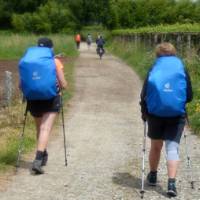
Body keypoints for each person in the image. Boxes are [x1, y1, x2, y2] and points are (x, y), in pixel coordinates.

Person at [140, 42, 193, 197]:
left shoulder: (153, 68)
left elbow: (144, 94)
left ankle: (153, 175)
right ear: (174, 53)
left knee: (156, 146)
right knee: (172, 148)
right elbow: (189, 96)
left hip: (155, 114)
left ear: (158, 54)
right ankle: (171, 183)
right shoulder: (181, 68)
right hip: (176, 115)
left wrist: (144, 111)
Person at [21, 37, 67, 174]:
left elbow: (20, 85)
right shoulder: (55, 61)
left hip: (33, 99)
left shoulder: (29, 62)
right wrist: (63, 86)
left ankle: (43, 154)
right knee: (45, 128)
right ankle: (38, 159)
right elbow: (64, 84)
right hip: (51, 98)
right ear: (50, 48)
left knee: (39, 128)